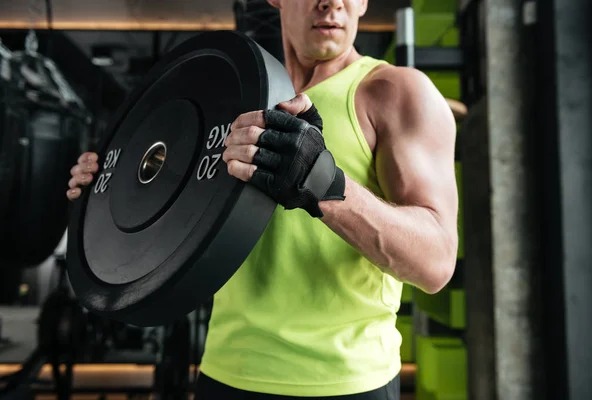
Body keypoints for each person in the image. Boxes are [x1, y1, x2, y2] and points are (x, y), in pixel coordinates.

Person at [67, 0, 459, 398]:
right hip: (226, 374)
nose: (331, 3)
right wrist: (109, 189)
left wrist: (323, 183)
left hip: (346, 381)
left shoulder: (396, 92)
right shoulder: (231, 95)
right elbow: (164, 198)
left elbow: (436, 262)